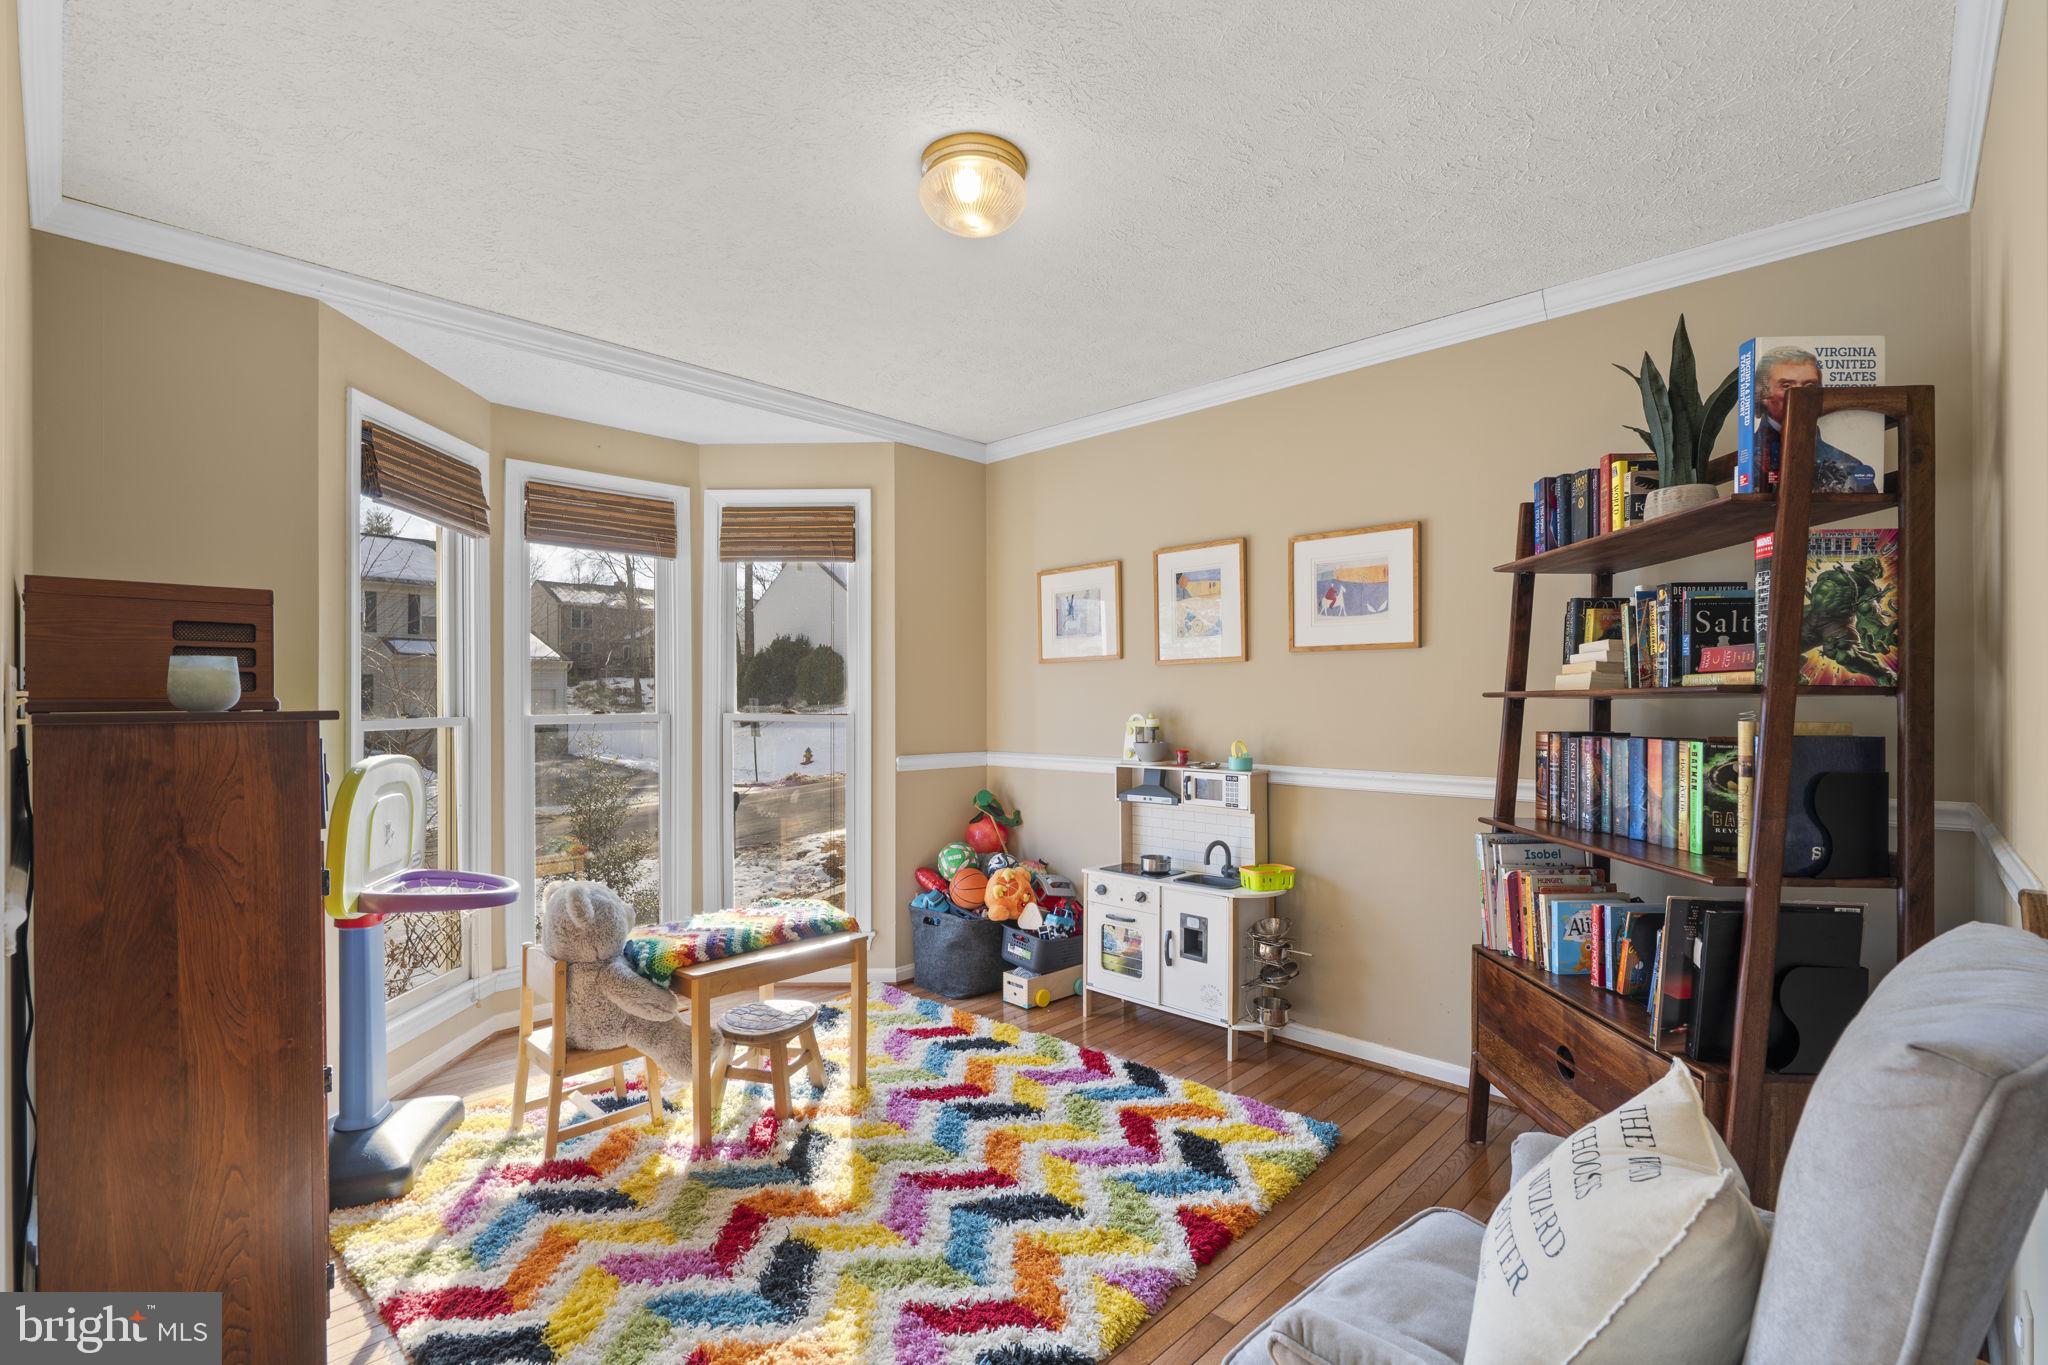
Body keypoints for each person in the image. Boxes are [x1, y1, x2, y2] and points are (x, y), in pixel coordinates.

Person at [1752, 345, 1876, 492]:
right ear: (1762, 394)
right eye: (1786, 386)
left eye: (1809, 385)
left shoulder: (1850, 466)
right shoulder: (1748, 461)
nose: (1800, 394)